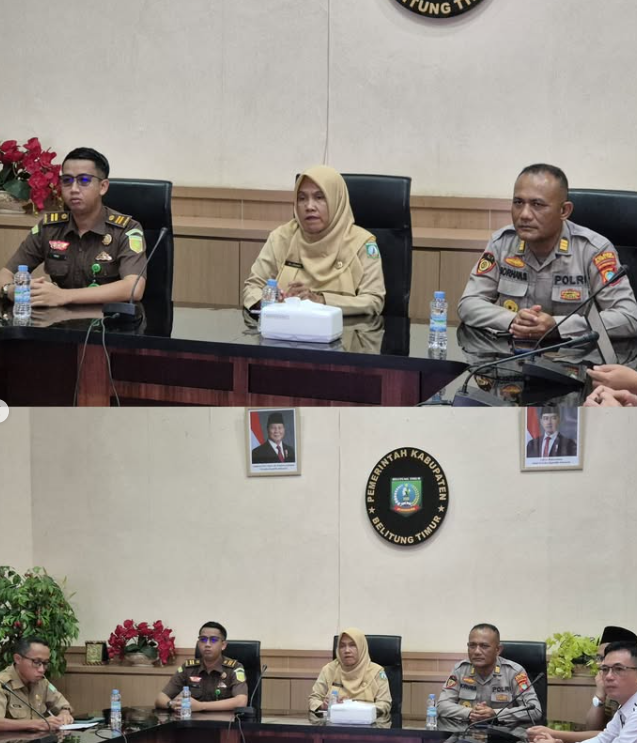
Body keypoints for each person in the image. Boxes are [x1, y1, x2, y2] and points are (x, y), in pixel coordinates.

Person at [457, 164, 637, 340]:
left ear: (564, 211)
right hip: (513, 354)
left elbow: (629, 317)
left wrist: (558, 327)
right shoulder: (501, 243)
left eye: (537, 204)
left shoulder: (594, 250)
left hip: (575, 355)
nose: (524, 214)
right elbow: (468, 303)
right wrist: (513, 319)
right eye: (518, 202)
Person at [0, 147, 147, 308]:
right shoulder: (49, 228)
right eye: (67, 180)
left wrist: (63, 296)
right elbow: (6, 273)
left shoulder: (126, 229)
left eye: (84, 180)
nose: (74, 189)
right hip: (57, 319)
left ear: (103, 187)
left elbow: (134, 287)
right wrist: (10, 290)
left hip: (108, 319)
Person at [243, 165, 385, 316]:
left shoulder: (362, 243)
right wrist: (268, 302)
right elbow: (253, 287)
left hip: (345, 329)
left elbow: (373, 300)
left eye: (319, 197)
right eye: (302, 198)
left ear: (336, 200)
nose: (309, 206)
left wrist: (321, 300)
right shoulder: (281, 238)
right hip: (287, 326)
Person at [528, 627, 637, 743]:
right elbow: (603, 739)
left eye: (619, 669)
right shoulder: (624, 706)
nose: (608, 676)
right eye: (605, 668)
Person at [437, 623, 542, 724]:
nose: (477, 651)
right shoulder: (460, 669)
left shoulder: (514, 672)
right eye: (472, 645)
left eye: (484, 646)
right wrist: (471, 712)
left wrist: (496, 714)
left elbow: (535, 710)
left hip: (503, 731)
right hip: (466, 730)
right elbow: (441, 705)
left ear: (498, 650)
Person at [155, 621, 248, 713]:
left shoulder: (234, 668)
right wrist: (172, 704)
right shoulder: (188, 668)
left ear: (223, 645)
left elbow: (241, 702)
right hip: (193, 721)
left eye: (213, 640)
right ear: (198, 643)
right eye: (203, 639)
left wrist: (200, 706)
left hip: (223, 721)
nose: (207, 644)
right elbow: (160, 698)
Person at [308, 628, 391, 715]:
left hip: (367, 721)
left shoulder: (377, 672)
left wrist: (355, 708)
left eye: (352, 645)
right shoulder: (329, 669)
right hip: (335, 720)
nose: (347, 650)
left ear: (361, 647)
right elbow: (313, 699)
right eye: (342, 646)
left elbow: (384, 704)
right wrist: (323, 705)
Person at [0, 636, 73, 732]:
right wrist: (36, 724)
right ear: (18, 659)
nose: (41, 669)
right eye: (36, 662)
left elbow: (63, 704)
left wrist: (65, 713)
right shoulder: (3, 683)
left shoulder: (42, 682)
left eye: (45, 663)